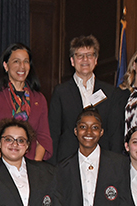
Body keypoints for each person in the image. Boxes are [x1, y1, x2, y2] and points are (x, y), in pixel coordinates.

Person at [48, 35, 116, 164]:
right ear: (72, 61)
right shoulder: (61, 92)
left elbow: (113, 132)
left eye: (89, 55)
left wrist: (115, 163)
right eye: (80, 55)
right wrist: (52, 166)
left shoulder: (110, 92)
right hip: (68, 159)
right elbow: (53, 131)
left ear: (96, 60)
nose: (85, 59)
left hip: (102, 160)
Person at [0, 43, 52, 164]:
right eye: (16, 61)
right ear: (6, 65)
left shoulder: (39, 99)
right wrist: (7, 167)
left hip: (30, 167)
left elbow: (43, 138)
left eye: (26, 62)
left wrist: (34, 166)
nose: (22, 66)